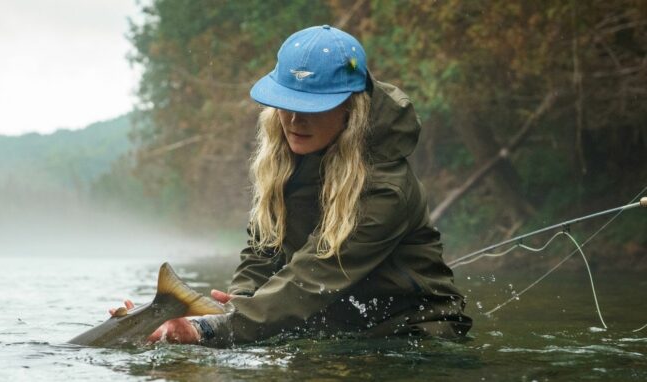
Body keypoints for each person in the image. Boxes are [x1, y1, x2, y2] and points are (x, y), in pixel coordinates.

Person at [112, 25, 471, 346]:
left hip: (414, 338)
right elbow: (262, 251)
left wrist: (209, 329)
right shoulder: (285, 161)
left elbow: (313, 276)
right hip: (334, 328)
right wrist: (235, 303)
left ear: (351, 108)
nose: (296, 120)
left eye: (313, 107)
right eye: (286, 104)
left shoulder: (386, 187)